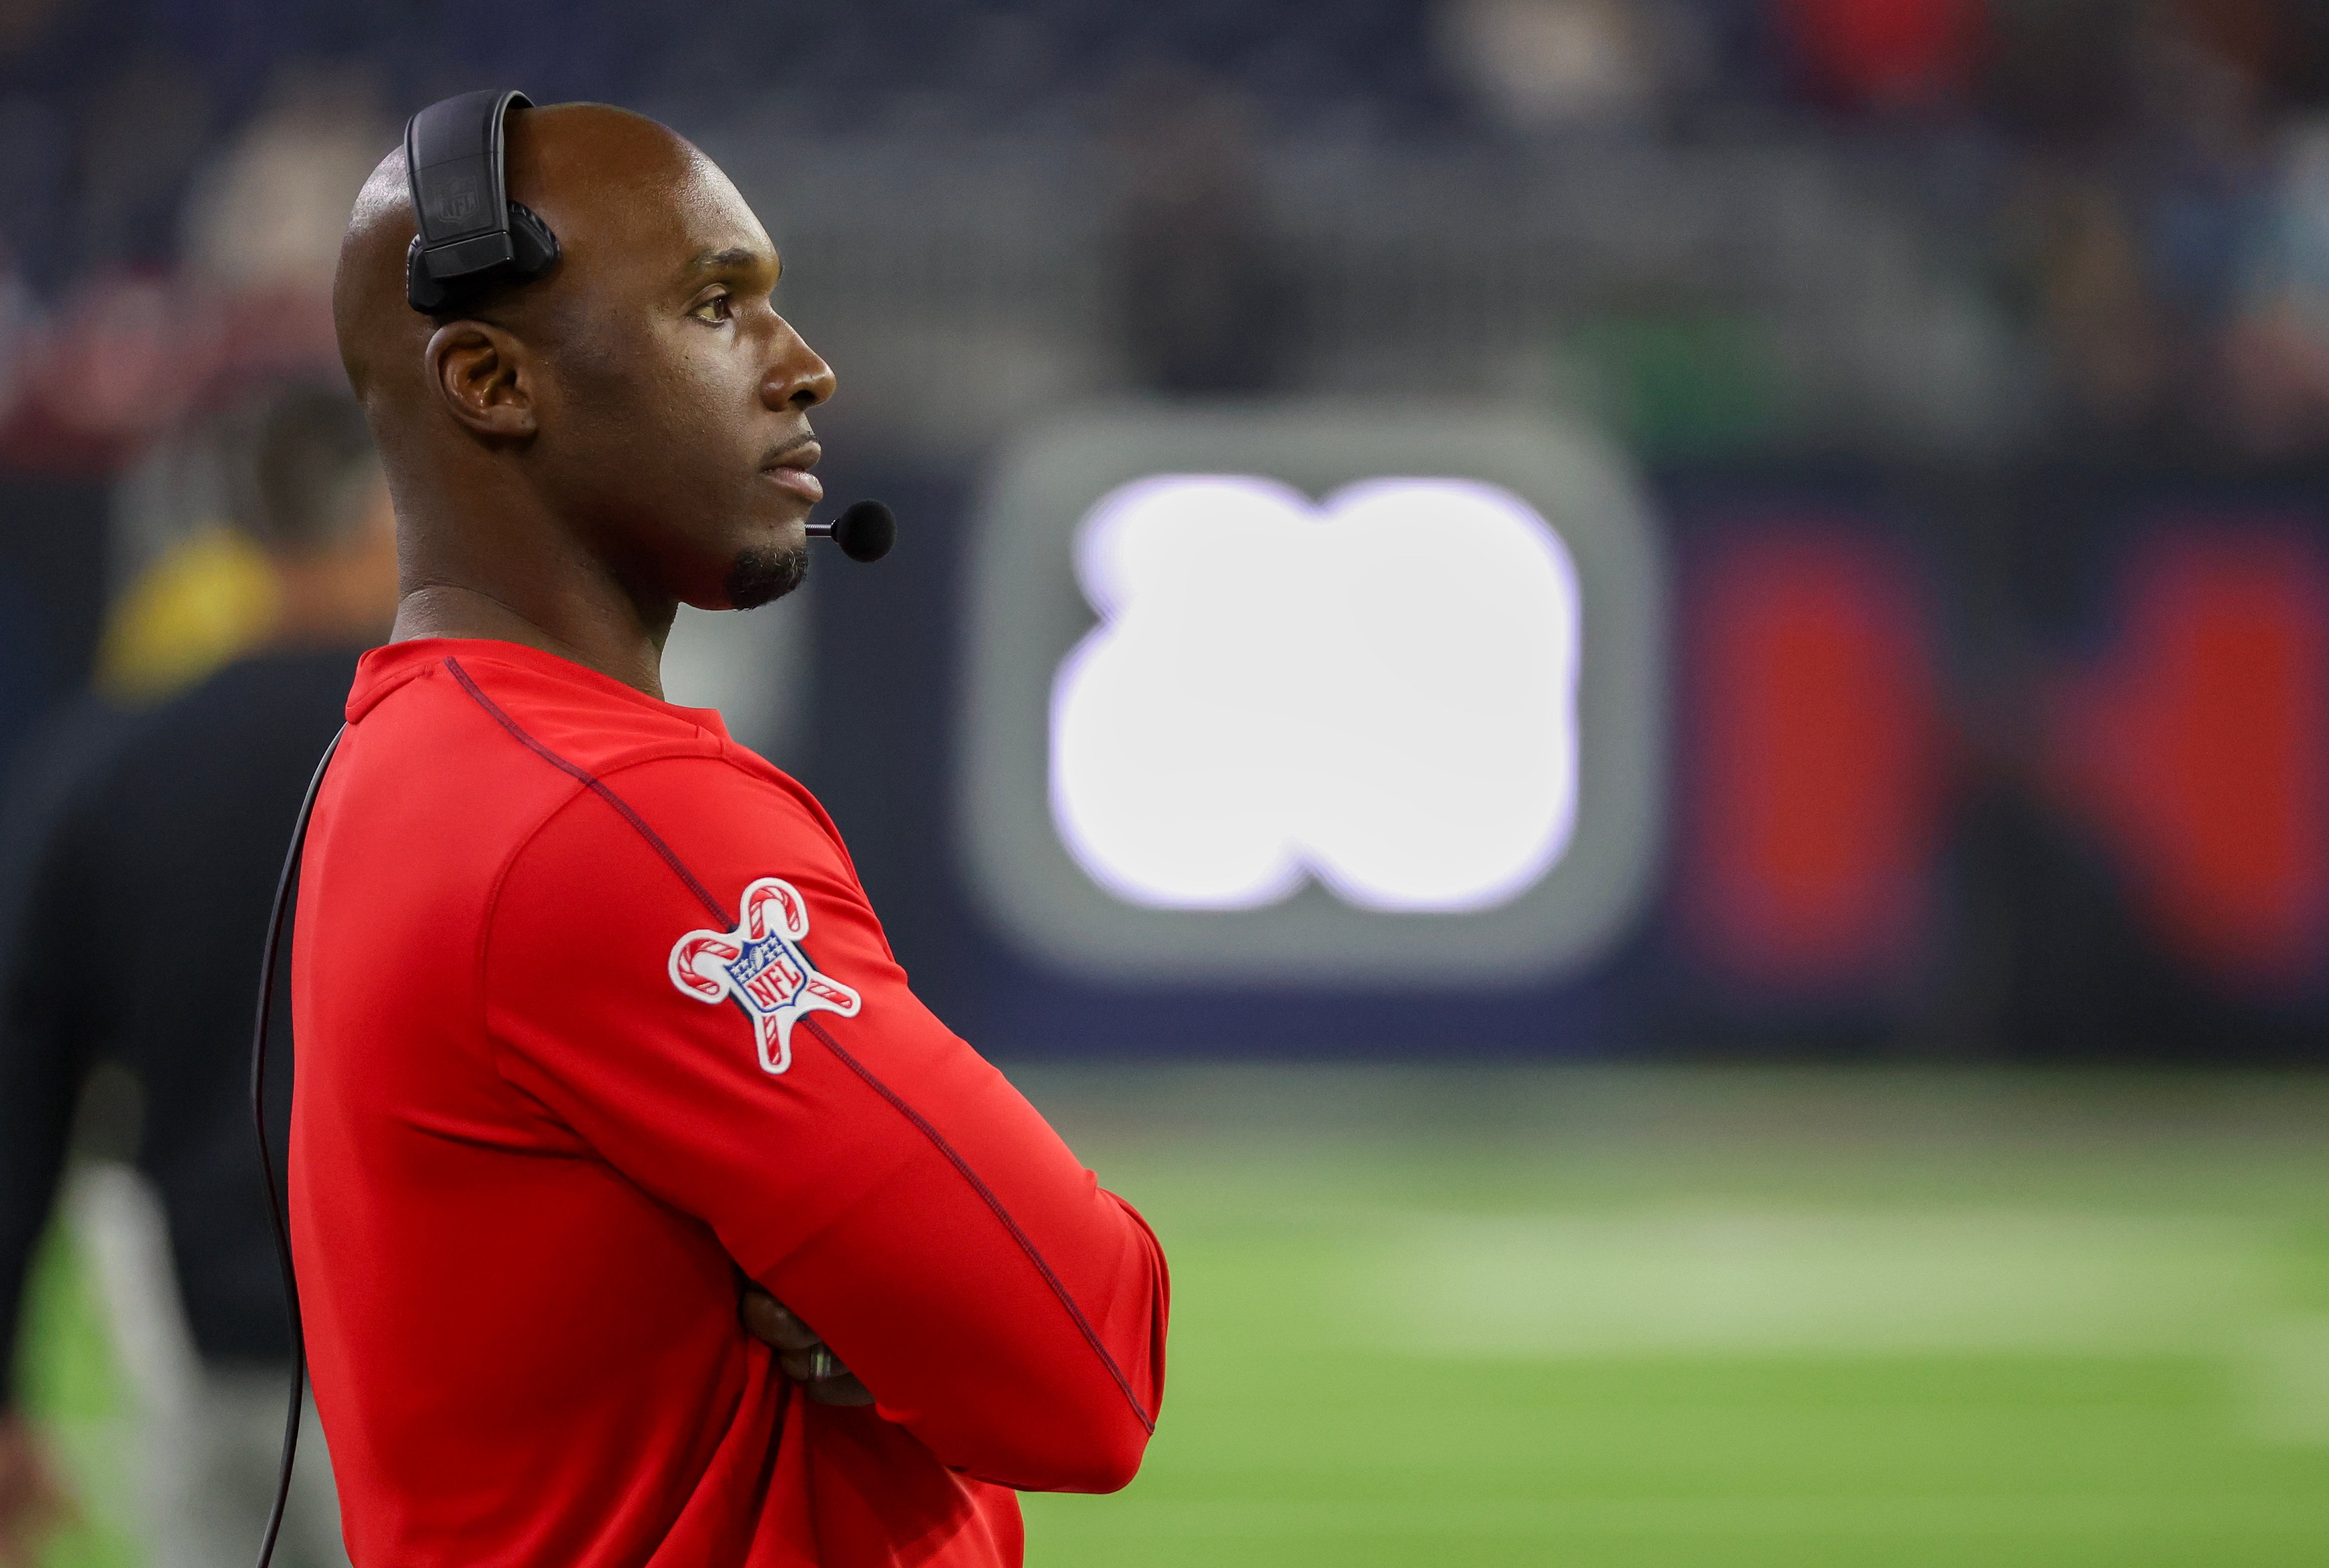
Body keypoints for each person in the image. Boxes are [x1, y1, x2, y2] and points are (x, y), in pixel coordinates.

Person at [302, 99, 1168, 1568]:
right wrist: (887, 1310)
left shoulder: (398, 760)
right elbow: (1090, 1358)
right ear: (492, 382)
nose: (805, 365)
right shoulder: (616, 814)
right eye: (716, 306)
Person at [0, 380, 399, 1568]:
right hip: (421, 1366)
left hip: (205, 1357)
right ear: (383, 513)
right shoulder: (465, 760)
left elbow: (19, 1097)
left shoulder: (113, 765)